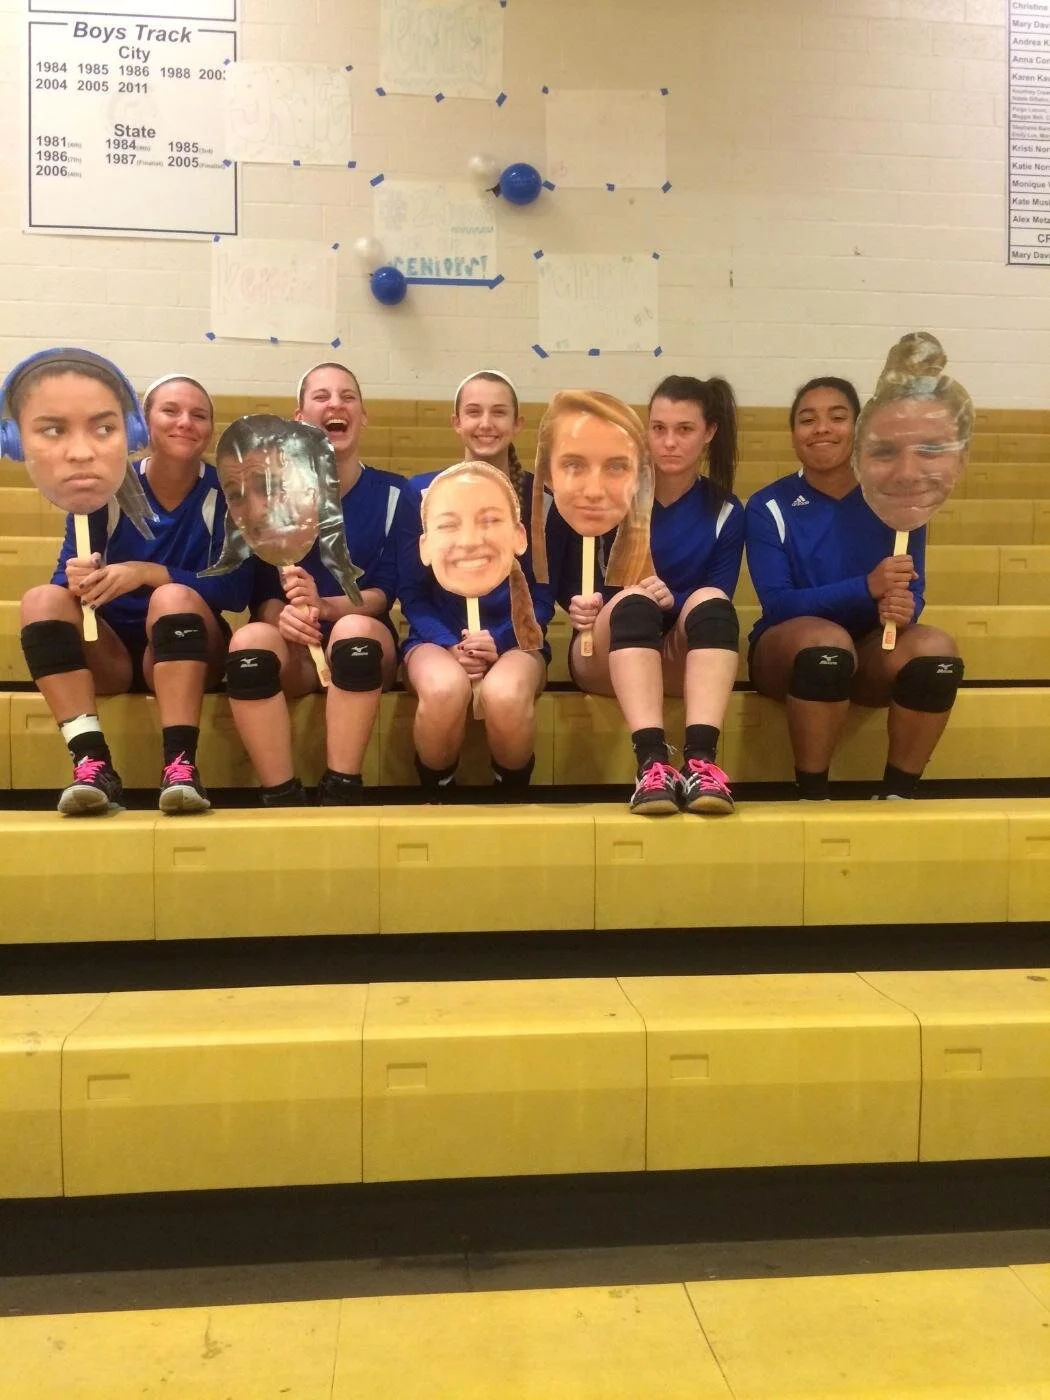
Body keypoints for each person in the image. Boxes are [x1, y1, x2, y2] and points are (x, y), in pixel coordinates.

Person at [16, 360, 248, 815]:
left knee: (171, 596)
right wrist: (76, 578)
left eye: (199, 415)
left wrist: (147, 572)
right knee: (42, 599)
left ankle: (181, 766)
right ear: (143, 422)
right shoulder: (103, 485)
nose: (185, 422)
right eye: (171, 411)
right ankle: (91, 762)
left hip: (192, 645)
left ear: (210, 430)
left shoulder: (229, 494)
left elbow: (237, 590)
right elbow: (67, 580)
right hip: (113, 655)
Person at [745, 357, 966, 801]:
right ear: (793, 434)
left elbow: (911, 587)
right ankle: (813, 796)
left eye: (837, 417)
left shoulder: (898, 499)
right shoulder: (768, 505)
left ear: (861, 428)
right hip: (787, 651)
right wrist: (865, 588)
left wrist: (907, 607)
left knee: (937, 651)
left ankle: (897, 796)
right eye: (808, 419)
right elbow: (778, 604)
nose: (822, 428)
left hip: (871, 650)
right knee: (827, 644)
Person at [541, 381, 743, 815]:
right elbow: (558, 577)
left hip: (677, 658)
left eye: (684, 429)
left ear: (709, 432)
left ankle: (701, 763)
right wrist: (579, 603)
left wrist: (674, 597)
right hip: (605, 652)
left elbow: (717, 598)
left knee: (713, 602)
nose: (669, 442)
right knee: (635, 601)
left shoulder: (725, 510)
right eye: (658, 428)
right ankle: (651, 764)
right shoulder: (602, 497)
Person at [225, 362, 402, 806]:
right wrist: (281, 617)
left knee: (355, 633)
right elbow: (261, 596)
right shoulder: (267, 498)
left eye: (348, 396)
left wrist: (326, 607)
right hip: (295, 654)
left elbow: (386, 592)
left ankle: (342, 788)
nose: (335, 404)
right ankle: (280, 794)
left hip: (364, 642)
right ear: (300, 418)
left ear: (363, 415)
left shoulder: (395, 494)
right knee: (248, 641)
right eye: (321, 397)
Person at [395, 370, 552, 794]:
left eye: (499, 412)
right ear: (456, 422)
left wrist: (499, 640)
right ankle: (437, 795)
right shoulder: (421, 493)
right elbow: (411, 592)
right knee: (444, 689)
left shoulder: (540, 499)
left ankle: (511, 798)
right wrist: (452, 644)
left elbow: (542, 594)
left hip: (518, 638)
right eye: (474, 412)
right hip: (437, 638)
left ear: (518, 424)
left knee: (505, 694)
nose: (486, 423)